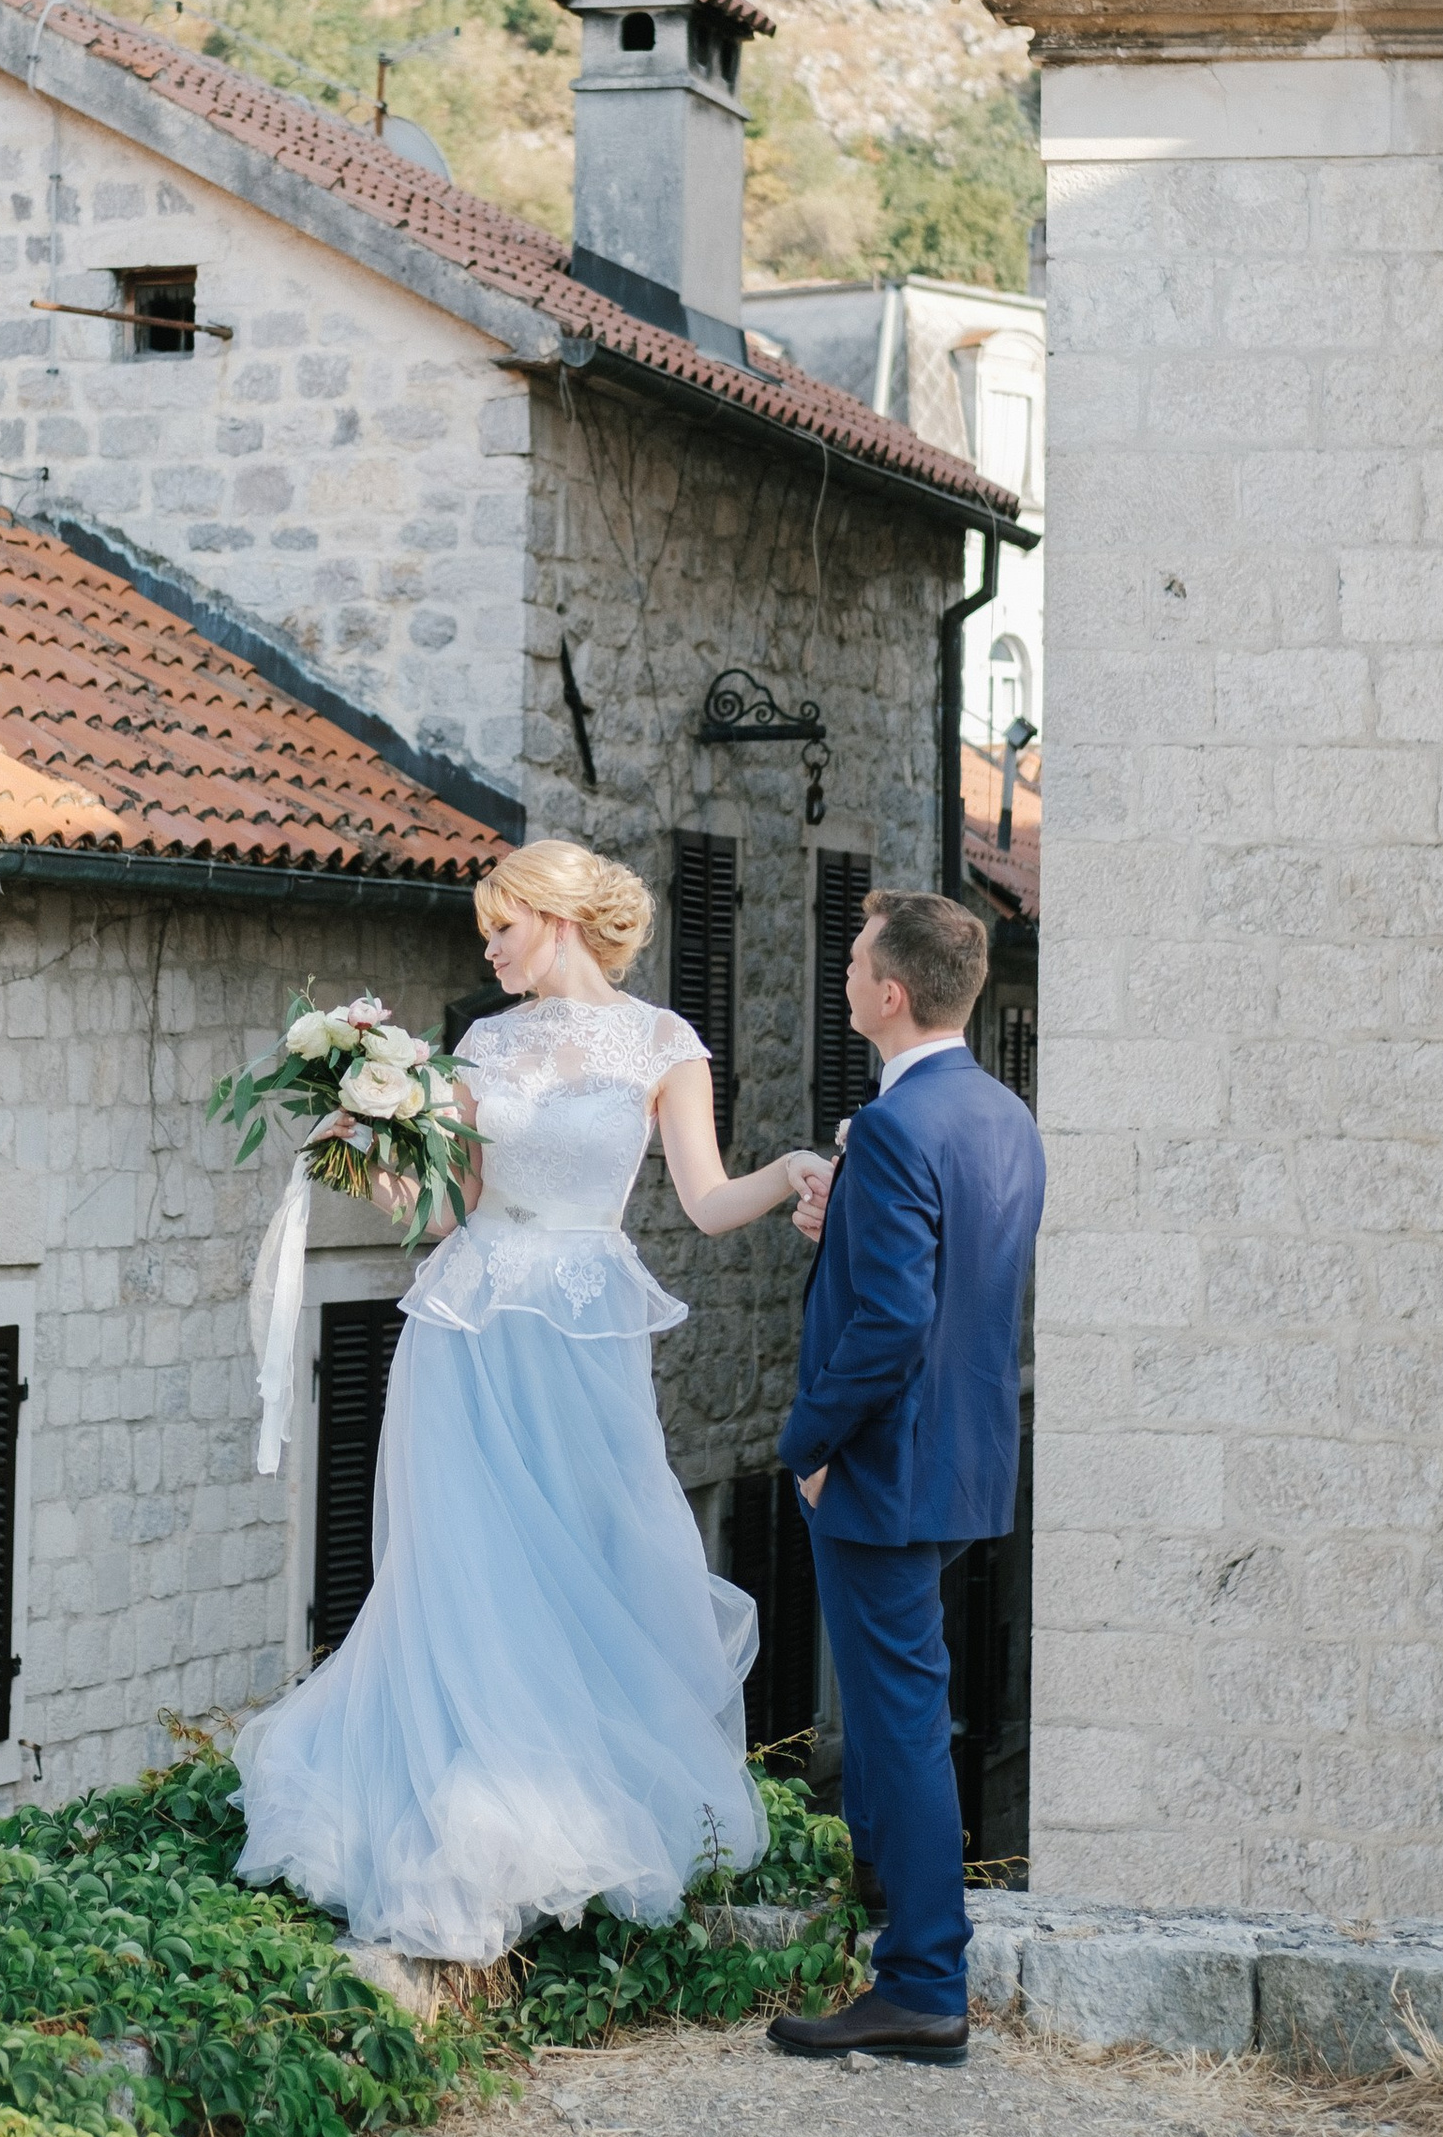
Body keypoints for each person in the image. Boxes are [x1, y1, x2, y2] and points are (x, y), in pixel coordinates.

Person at [232, 839, 828, 1963]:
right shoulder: (480, 1044)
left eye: (499, 929)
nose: (490, 950)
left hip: (584, 1336)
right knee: (466, 1562)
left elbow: (702, 1202)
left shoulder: (664, 1044)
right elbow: (445, 1209)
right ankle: (470, 1825)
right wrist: (355, 1149)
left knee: (598, 1547)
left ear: (551, 919)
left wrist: (792, 1167)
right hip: (467, 1330)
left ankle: (575, 1819)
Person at [764, 886, 1044, 2067]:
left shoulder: (889, 1128)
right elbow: (947, 1283)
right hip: (962, 1453)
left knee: (901, 1723)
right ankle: (894, 1948)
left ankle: (924, 1978)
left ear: (888, 994)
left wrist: (806, 1444)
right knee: (894, 1723)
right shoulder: (1001, 1113)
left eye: (855, 963)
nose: (844, 980)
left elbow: (887, 1323)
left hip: (879, 1466)